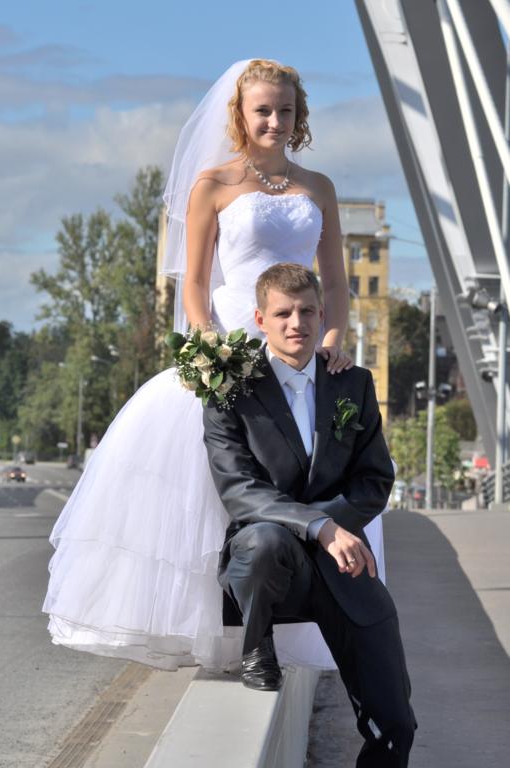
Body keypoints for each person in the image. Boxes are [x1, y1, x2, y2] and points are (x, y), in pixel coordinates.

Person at [43, 58, 385, 672]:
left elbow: (335, 282)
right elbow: (195, 284)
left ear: (299, 115)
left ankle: (291, 623)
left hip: (299, 348)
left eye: (286, 110)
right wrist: (210, 348)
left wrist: (333, 338)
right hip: (233, 349)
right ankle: (233, 638)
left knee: (298, 479)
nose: (275, 121)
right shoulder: (214, 184)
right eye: (263, 110)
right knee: (212, 499)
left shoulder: (320, 188)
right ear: (240, 114)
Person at [203, 263, 416, 766]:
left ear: (322, 316)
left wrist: (332, 527)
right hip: (271, 566)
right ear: (261, 320)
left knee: (396, 723)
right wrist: (320, 527)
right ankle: (258, 644)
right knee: (265, 541)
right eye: (283, 313)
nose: (295, 323)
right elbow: (239, 489)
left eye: (306, 311)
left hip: (342, 566)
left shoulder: (354, 383)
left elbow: (374, 480)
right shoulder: (230, 389)